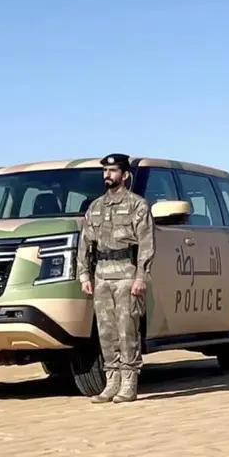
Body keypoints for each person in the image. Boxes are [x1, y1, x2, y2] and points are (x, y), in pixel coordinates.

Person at [76, 153, 155, 403]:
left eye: (112, 171)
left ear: (125, 175)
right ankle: (112, 381)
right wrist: (84, 274)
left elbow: (146, 244)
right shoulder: (95, 207)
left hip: (126, 274)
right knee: (106, 332)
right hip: (102, 275)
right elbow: (85, 242)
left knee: (127, 330)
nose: (107, 175)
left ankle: (129, 381)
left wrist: (142, 277)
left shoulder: (137, 205)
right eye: (105, 171)